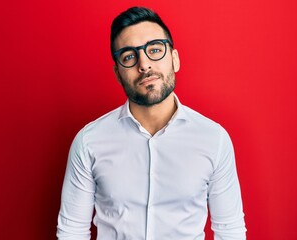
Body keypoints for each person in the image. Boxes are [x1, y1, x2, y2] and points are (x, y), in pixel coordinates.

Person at [57, 6, 246, 240]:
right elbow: (72, 232)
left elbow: (231, 231)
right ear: (118, 73)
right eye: (129, 56)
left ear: (174, 59)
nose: (144, 64)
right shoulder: (88, 142)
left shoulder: (214, 139)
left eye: (155, 49)